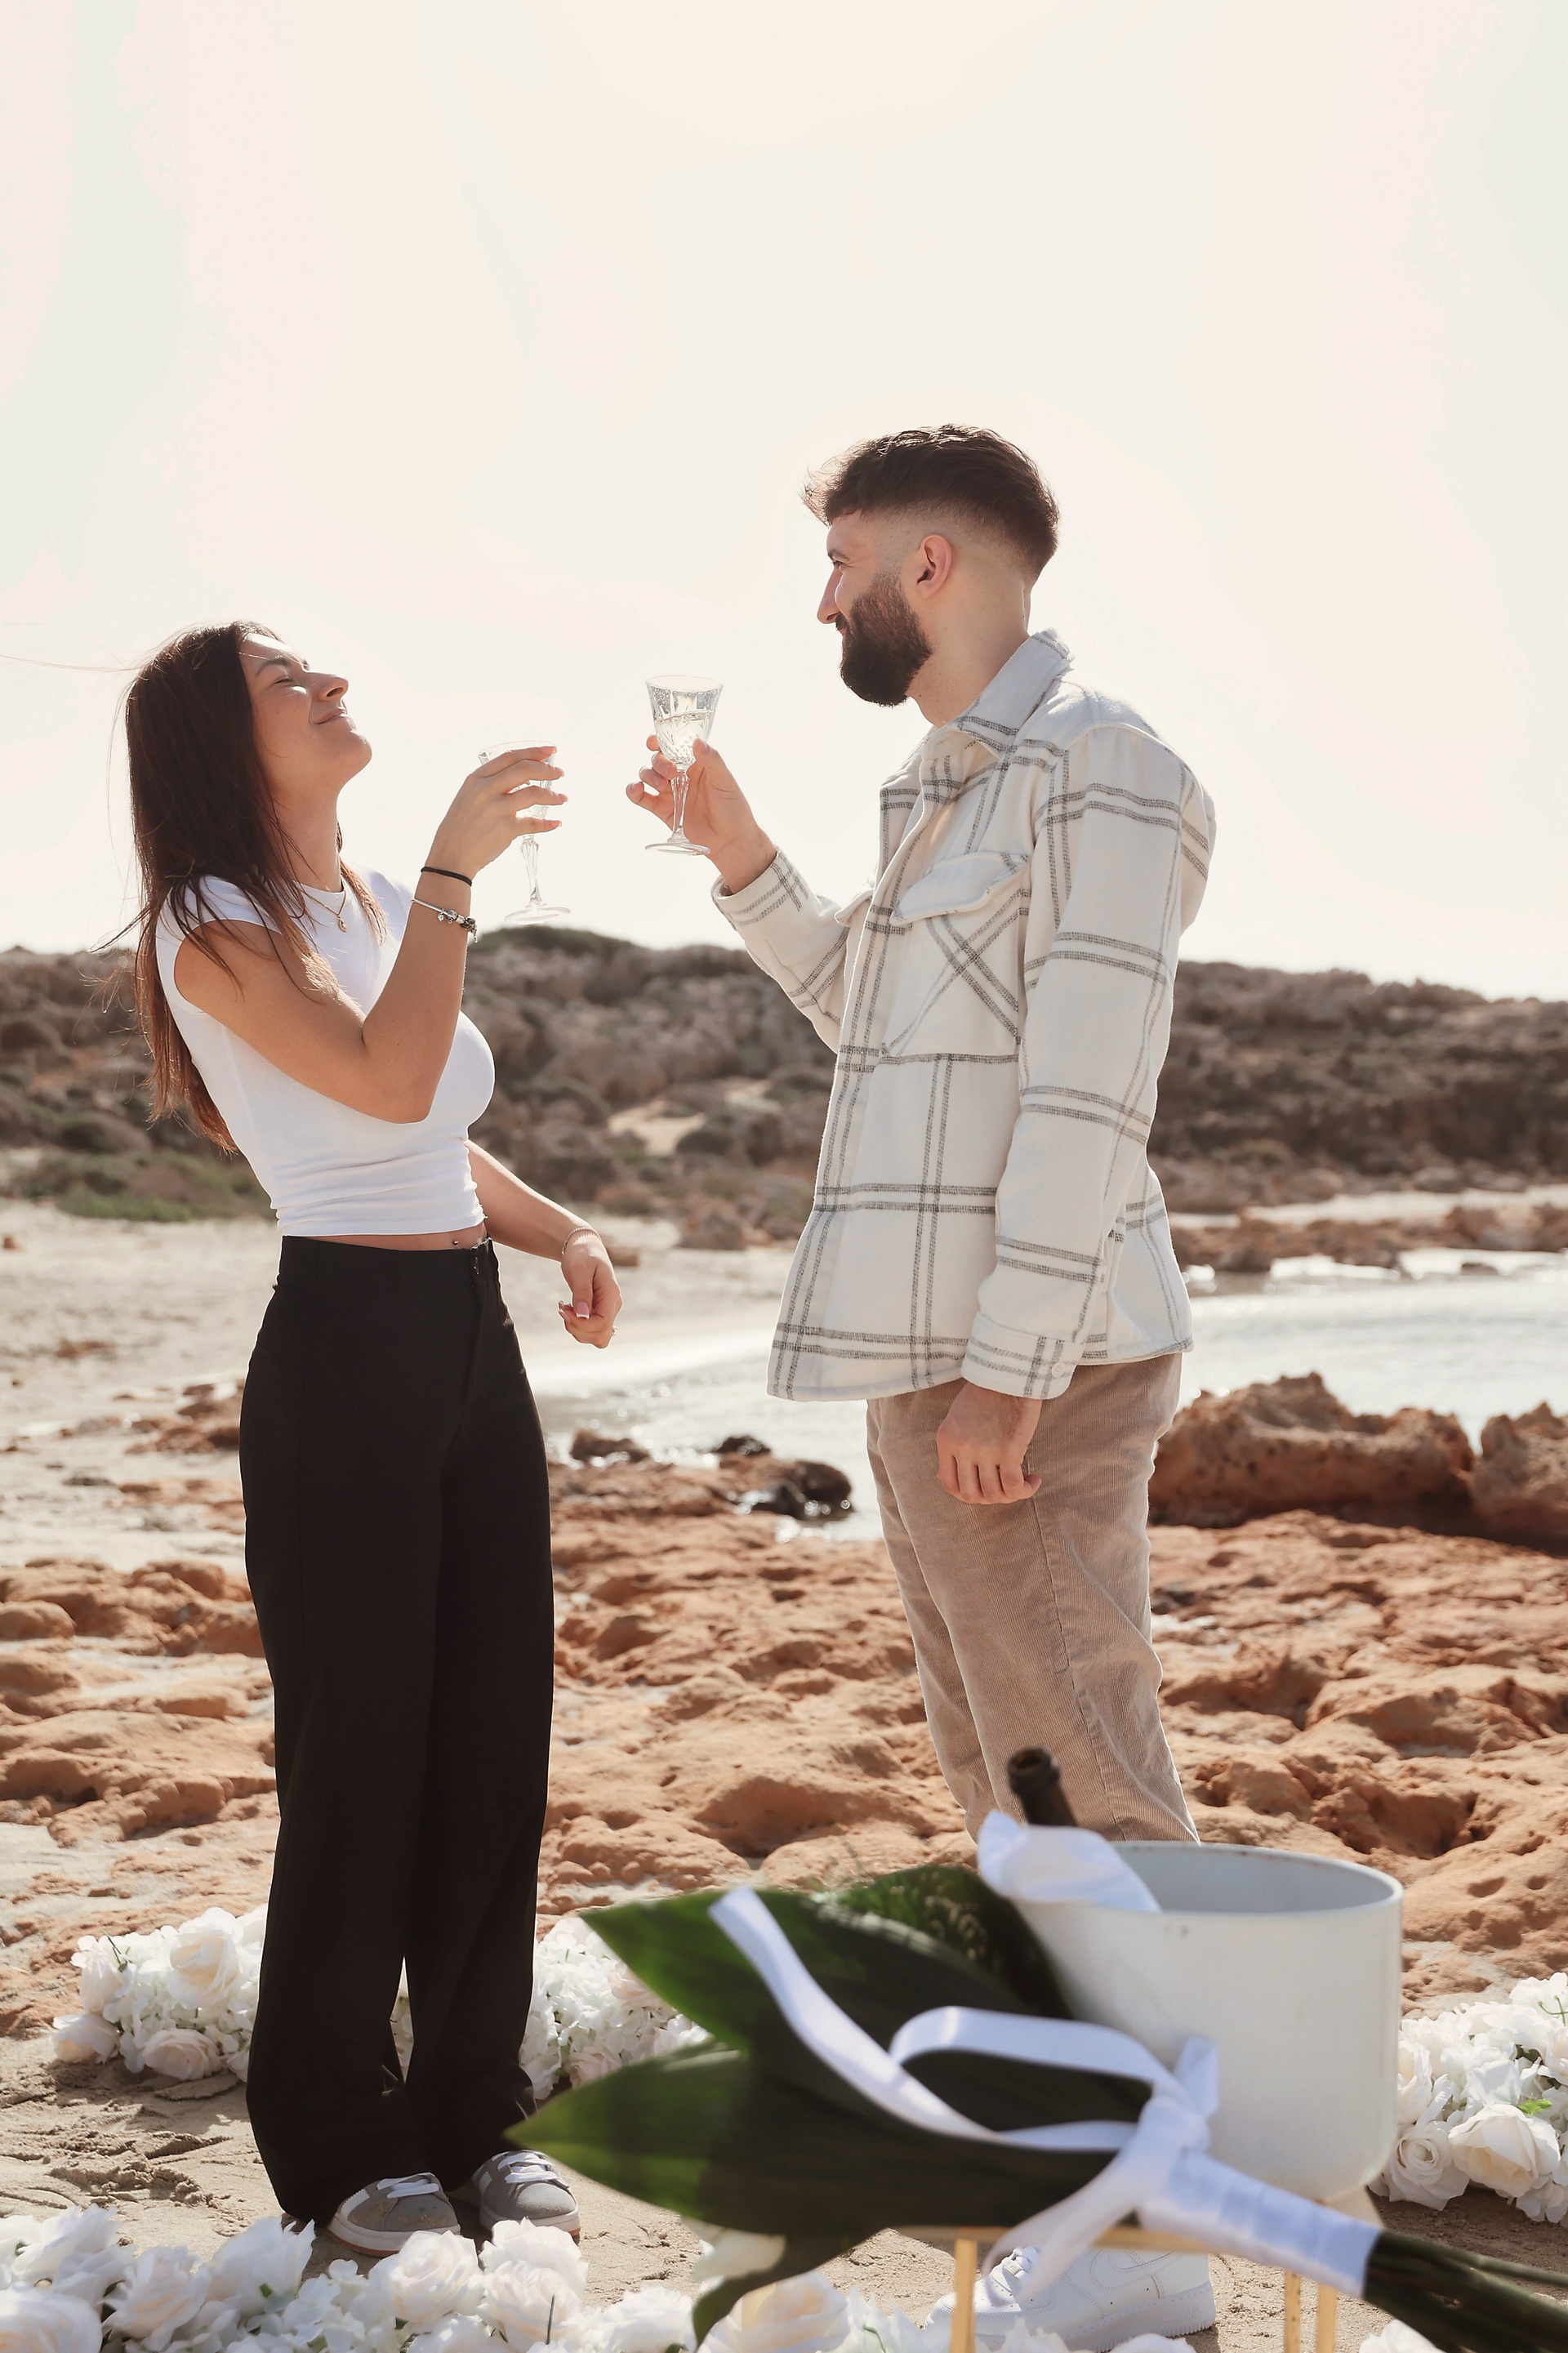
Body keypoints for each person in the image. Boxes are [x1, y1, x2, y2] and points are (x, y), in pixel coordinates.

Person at [628, 426, 1218, 2350]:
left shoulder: (1103, 768)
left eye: (845, 563)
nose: (827, 602)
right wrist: (743, 859)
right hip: (931, 1362)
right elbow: (874, 1034)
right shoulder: (945, 783)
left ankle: (1154, 2241)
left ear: (933, 566)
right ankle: (1089, 2193)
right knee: (1011, 1800)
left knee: (1085, 1784)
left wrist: (1007, 1371)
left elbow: (1090, 1090)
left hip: (1028, 1364)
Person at [126, 622, 615, 2254]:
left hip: (471, 1338)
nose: (327, 682)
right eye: (284, 680)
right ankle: (341, 2137)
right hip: (341, 1348)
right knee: (362, 1756)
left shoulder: (379, 901)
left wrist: (560, 1229)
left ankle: (477, 2108)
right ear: (220, 741)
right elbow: (388, 1080)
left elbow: (438, 1132)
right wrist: (461, 868)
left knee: (491, 1740)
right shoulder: (212, 923)